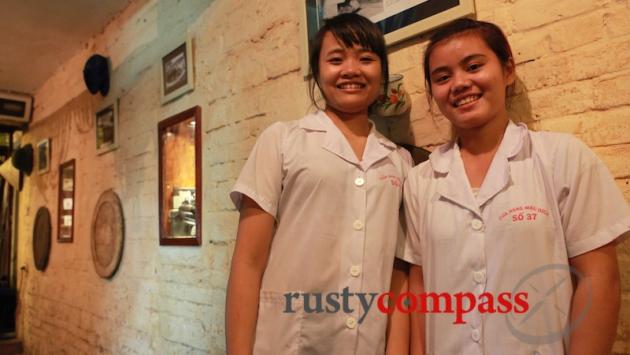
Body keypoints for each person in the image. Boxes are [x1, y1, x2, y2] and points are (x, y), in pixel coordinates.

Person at [399, 18, 630, 355]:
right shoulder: (421, 181)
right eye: (443, 77)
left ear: (508, 71)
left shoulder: (560, 158)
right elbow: (419, 290)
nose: (459, 84)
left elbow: (600, 281)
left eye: (473, 66)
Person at [226, 13, 411, 355]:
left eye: (366, 59)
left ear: (382, 73)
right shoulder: (282, 140)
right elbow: (247, 262)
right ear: (316, 71)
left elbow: (398, 273)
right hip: (287, 342)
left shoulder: (399, 161)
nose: (351, 70)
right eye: (336, 59)